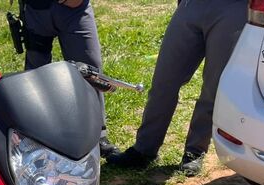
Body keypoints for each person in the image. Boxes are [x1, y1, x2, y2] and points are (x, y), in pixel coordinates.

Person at [106, 0, 247, 175]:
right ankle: (144, 149)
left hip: (234, 8)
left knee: (213, 88)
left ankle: (195, 151)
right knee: (164, 80)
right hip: (191, 6)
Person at [21, 0, 117, 157]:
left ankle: (97, 135)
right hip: (36, 8)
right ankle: (35, 136)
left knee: (90, 71)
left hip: (74, 8)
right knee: (34, 76)